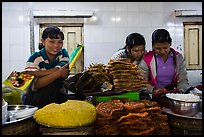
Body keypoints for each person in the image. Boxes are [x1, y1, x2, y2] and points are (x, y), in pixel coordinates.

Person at [21, 26, 83, 108]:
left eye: (60, 42)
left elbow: (62, 72)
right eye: (51, 41)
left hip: (57, 97)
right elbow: (35, 85)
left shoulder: (63, 54)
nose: (56, 46)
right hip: (36, 100)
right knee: (53, 82)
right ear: (43, 41)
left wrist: (35, 73)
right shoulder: (35, 58)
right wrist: (58, 73)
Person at [138, 28, 190, 107]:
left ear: (170, 44)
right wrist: (153, 90)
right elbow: (140, 81)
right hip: (152, 96)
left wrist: (179, 92)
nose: (162, 51)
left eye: (165, 48)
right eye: (158, 49)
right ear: (153, 46)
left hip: (173, 95)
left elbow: (183, 80)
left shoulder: (178, 57)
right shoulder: (147, 58)